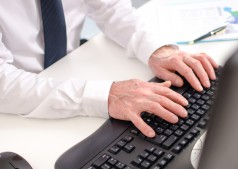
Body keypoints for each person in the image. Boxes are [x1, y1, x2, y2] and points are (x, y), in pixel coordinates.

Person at [0, 0, 218, 137]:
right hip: (16, 107)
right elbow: (4, 84)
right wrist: (106, 95)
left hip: (69, 67)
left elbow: (111, 8)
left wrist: (155, 49)